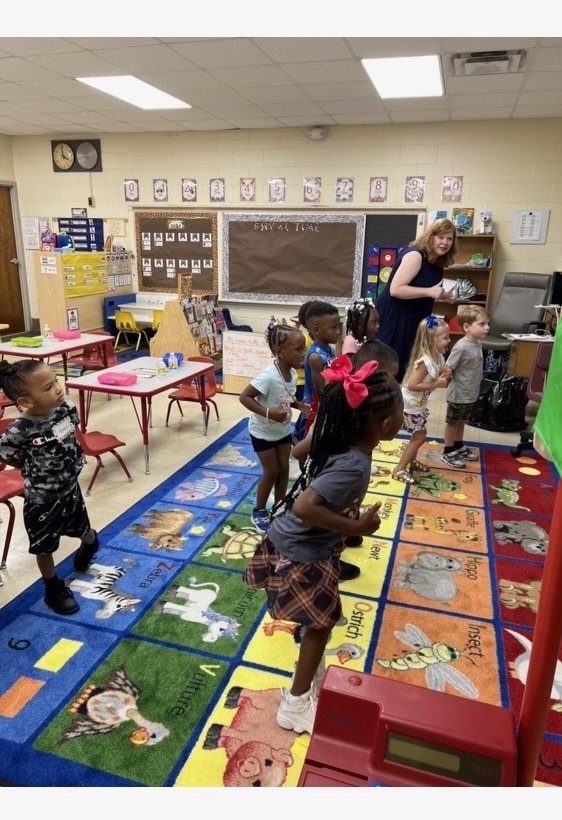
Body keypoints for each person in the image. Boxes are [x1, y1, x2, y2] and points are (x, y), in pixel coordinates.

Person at [243, 355, 404, 734]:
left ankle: (304, 685)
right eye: (402, 414)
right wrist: (357, 526)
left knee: (320, 623)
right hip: (304, 551)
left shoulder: (340, 440)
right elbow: (305, 505)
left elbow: (299, 454)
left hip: (300, 542)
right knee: (320, 625)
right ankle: (296, 704)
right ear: (383, 425)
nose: (405, 420)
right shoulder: (355, 464)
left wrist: (325, 428)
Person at [0, 360, 99, 615]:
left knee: (82, 527)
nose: (58, 388)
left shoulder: (66, 407)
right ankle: (53, 587)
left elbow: (72, 433)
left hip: (71, 487)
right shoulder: (19, 430)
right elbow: (4, 453)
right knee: (44, 546)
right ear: (27, 401)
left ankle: (90, 542)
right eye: (48, 387)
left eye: (56, 380)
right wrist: (25, 464)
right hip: (42, 498)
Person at [239, 320, 310, 534]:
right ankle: (259, 511)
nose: (303, 355)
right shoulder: (268, 376)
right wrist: (269, 413)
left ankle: (280, 506)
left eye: (303, 349)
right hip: (262, 432)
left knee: (284, 469)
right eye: (298, 350)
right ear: (280, 351)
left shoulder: (293, 374)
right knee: (271, 470)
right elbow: (245, 397)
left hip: (282, 431)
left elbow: (285, 396)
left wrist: (298, 405)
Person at [375, 218, 458, 383]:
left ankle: (399, 404)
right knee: (389, 368)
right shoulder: (416, 255)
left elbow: (423, 288)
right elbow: (396, 289)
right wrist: (430, 291)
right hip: (395, 317)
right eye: (440, 237)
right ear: (430, 236)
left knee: (406, 367)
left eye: (449, 238)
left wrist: (440, 294)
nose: (445, 242)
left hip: (414, 317)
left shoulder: (436, 260)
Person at [392, 315, 452, 484]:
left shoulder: (438, 357)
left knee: (418, 436)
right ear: (432, 340)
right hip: (410, 405)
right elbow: (412, 385)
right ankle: (399, 469)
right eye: (445, 338)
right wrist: (437, 383)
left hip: (419, 404)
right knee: (419, 437)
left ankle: (410, 460)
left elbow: (436, 375)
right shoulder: (425, 362)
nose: (448, 341)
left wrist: (443, 374)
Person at [442, 305, 491, 468]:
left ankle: (458, 444)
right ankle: (448, 450)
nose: (487, 327)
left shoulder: (477, 344)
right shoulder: (461, 346)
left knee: (462, 421)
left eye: (487, 324)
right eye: (482, 324)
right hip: (458, 394)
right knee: (453, 422)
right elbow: (448, 366)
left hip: (470, 393)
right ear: (466, 327)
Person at [302, 300, 341, 438]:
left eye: (338, 327)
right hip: (314, 411)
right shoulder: (315, 356)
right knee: (309, 448)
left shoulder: (329, 349)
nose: (338, 332)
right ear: (317, 330)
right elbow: (320, 392)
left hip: (326, 407)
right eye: (333, 328)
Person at [293, 300, 317, 443]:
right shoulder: (305, 340)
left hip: (311, 381)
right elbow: (297, 362)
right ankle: (299, 436)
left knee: (307, 410)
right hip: (302, 382)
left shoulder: (319, 341)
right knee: (307, 410)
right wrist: (309, 364)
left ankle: (296, 433)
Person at [341, 297, 380, 365]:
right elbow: (352, 371)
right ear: (360, 324)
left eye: (378, 322)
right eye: (374, 321)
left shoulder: (364, 341)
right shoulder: (350, 342)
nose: (378, 326)